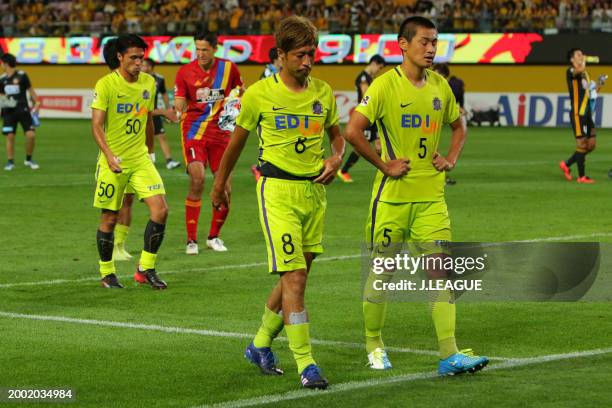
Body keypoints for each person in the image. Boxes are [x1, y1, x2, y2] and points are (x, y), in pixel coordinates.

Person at [344, 16, 488, 375]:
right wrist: (383, 165)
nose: (430, 48)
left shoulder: (441, 86)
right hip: (392, 200)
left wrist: (451, 157)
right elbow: (353, 131)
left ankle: (449, 353)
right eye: (423, 41)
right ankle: (374, 343)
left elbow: (459, 127)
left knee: (440, 272)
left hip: (431, 199)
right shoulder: (382, 86)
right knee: (383, 272)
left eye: (434, 42)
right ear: (403, 45)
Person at [211, 16, 345, 389]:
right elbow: (236, 142)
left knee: (295, 276)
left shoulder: (323, 92)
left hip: (314, 193)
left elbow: (337, 138)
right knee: (296, 279)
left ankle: (258, 345)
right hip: (278, 191)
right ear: (280, 55)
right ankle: (307, 365)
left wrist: (336, 159)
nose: (308, 62)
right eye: (300, 55)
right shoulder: (259, 95)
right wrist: (219, 184)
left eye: (311, 54)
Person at [91, 34, 168, 289]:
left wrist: (151, 151)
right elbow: (97, 125)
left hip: (140, 159)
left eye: (141, 57)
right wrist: (109, 155)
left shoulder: (149, 82)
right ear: (120, 57)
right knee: (109, 218)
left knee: (161, 210)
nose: (139, 62)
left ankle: (145, 268)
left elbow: (145, 118)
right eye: (133, 57)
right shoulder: (106, 85)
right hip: (113, 161)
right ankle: (107, 273)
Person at [174, 32, 244, 255]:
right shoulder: (185, 72)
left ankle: (214, 236)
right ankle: (191, 240)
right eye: (197, 49)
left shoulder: (228, 69)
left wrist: (237, 101)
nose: (200, 54)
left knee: (225, 187)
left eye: (204, 49)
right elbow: (179, 101)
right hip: (194, 131)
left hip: (221, 134)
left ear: (215, 48)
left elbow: (240, 90)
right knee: (197, 178)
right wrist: (177, 106)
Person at [337, 54, 385, 183]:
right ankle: (343, 170)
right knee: (360, 147)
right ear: (374, 63)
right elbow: (366, 96)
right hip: (366, 116)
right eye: (379, 67)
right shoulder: (363, 77)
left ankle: (385, 171)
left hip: (372, 116)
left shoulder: (370, 77)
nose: (379, 70)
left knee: (379, 145)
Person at [559, 48, 598, 184]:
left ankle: (567, 164)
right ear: (572, 59)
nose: (582, 56)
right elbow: (578, 70)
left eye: (582, 54)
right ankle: (582, 176)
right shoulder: (570, 71)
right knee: (582, 144)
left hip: (587, 113)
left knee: (591, 144)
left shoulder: (585, 74)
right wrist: (584, 62)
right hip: (577, 113)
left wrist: (598, 86)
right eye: (579, 55)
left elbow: (589, 92)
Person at [0, 53, 40, 171]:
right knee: (10, 136)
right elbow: (1, 95)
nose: (1, 65)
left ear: (6, 63)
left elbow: (31, 91)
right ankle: (10, 162)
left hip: (23, 110)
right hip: (8, 111)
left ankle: (28, 159)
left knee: (31, 135)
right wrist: (5, 101)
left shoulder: (22, 76)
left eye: (2, 62)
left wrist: (37, 102)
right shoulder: (2, 79)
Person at [141, 58, 181, 170]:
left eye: (145, 65)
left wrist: (168, 108)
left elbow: (164, 93)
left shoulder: (159, 79)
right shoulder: (137, 78)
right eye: (142, 65)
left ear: (151, 66)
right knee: (140, 138)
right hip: (141, 112)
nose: (143, 67)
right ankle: (143, 160)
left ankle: (169, 161)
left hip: (154, 112)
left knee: (161, 136)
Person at [251, 46, 283, 180]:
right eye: (282, 57)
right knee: (270, 142)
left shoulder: (276, 72)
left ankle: (260, 168)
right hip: (266, 114)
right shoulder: (269, 74)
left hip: (274, 113)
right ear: (276, 59)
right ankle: (260, 169)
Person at [433, 62, 466, 186]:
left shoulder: (443, 90)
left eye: (442, 76)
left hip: (431, 126)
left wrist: (459, 109)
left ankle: (442, 178)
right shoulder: (425, 85)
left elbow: (458, 128)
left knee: (433, 150)